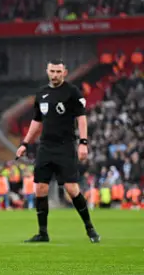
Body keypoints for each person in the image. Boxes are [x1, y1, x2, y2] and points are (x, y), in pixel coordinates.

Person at [16, 59, 100, 243]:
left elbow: (82, 119)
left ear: (65, 72)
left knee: (71, 188)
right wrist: (25, 143)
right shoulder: (42, 93)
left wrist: (83, 143)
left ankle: (90, 228)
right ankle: (43, 233)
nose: (55, 74)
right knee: (40, 188)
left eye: (58, 71)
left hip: (66, 146)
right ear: (47, 71)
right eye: (52, 71)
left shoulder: (72, 92)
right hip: (45, 146)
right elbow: (36, 121)